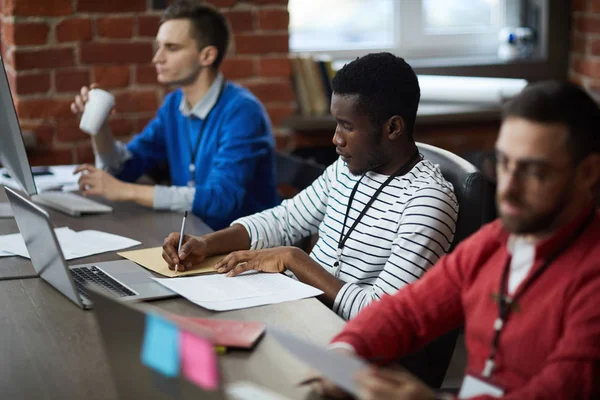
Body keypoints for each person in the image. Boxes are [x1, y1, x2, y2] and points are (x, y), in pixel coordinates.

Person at [315, 81, 600, 399]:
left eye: (533, 172)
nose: (508, 190)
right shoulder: (495, 241)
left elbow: (560, 389)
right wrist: (346, 350)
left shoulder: (592, 276)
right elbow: (406, 312)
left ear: (587, 173)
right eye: (503, 163)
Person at [162, 52, 459, 320]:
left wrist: (292, 258)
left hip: (345, 345)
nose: (336, 139)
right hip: (297, 310)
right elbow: (284, 220)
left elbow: (380, 315)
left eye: (348, 126)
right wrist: (205, 243)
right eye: (336, 123)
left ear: (393, 128)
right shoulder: (347, 168)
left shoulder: (427, 201)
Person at [70, 0, 278, 230]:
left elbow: (222, 201)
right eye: (159, 46)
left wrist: (126, 192)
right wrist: (99, 127)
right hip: (192, 237)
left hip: (242, 249)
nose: (157, 58)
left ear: (207, 56)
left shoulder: (243, 112)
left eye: (171, 48)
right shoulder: (173, 105)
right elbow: (125, 168)